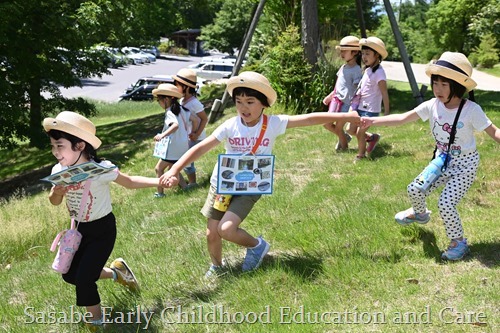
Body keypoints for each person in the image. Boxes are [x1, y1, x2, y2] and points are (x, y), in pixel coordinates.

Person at [159, 71, 360, 277]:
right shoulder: (230, 125)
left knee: (226, 229)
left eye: (250, 102)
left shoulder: (273, 124)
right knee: (212, 233)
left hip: (251, 186)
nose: (243, 107)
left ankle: (257, 246)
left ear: (263, 103)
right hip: (222, 184)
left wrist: (345, 115)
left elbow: (309, 119)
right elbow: (201, 148)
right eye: (238, 102)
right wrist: (175, 169)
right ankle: (217, 267)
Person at [361, 52, 500, 260]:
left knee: (446, 203)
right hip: (442, 161)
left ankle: (458, 242)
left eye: (445, 84)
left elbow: (493, 131)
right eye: (435, 83)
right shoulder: (432, 105)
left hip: (465, 166)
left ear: (458, 85)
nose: (438, 89)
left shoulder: (471, 109)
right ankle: (420, 214)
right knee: (415, 189)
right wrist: (372, 122)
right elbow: (402, 119)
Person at [43, 111, 164, 329]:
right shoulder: (58, 170)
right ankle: (118, 273)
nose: (55, 152)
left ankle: (97, 322)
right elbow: (53, 201)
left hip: (102, 230)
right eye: (52, 146)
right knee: (70, 275)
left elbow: (130, 181)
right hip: (78, 231)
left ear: (79, 146)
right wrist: (58, 192)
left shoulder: (101, 169)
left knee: (84, 279)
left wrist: (159, 182)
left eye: (59, 146)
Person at [152, 83, 199, 197]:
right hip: (183, 145)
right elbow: (195, 120)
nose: (159, 103)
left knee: (158, 169)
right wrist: (193, 132)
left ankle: (160, 193)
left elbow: (175, 125)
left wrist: (162, 135)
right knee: (173, 167)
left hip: (173, 146)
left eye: (159, 100)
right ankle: (185, 188)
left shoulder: (169, 112)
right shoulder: (183, 109)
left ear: (167, 99)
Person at [348, 36, 390, 161]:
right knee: (350, 129)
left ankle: (361, 155)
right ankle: (372, 138)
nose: (364, 57)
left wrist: (387, 112)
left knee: (360, 133)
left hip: (370, 110)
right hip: (360, 106)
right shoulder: (368, 70)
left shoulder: (379, 73)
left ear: (376, 55)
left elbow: (384, 93)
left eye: (368, 54)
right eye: (363, 54)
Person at [322, 35, 363, 151]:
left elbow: (358, 89)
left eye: (345, 51)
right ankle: (345, 137)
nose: (342, 53)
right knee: (327, 124)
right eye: (341, 51)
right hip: (336, 101)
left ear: (355, 52)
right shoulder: (343, 67)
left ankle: (344, 147)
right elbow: (338, 86)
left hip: (347, 103)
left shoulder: (356, 70)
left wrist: (355, 106)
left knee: (339, 127)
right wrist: (330, 96)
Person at [173, 68, 208, 188]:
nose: (175, 86)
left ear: (186, 87)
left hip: (195, 137)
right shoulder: (183, 100)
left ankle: (192, 183)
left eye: (177, 85)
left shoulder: (194, 103)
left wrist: (196, 133)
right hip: (189, 136)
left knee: (187, 160)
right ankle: (189, 183)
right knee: (185, 159)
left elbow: (203, 119)